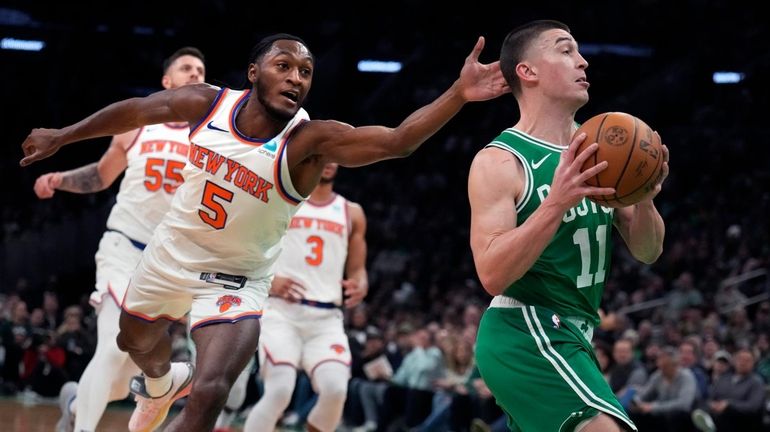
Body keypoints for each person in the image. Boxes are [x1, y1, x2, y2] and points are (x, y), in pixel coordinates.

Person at [20, 33, 508, 432]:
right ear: (254, 73)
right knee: (133, 341)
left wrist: (458, 93)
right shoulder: (209, 104)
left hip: (236, 280)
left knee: (212, 390)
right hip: (169, 255)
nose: (295, 77)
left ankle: (171, 392)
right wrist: (62, 136)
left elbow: (397, 142)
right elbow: (137, 110)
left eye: (305, 72)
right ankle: (161, 383)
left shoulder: (309, 141)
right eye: (284, 66)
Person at [469, 20, 668, 432]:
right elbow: (491, 274)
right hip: (526, 331)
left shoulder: (601, 149)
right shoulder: (502, 161)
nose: (582, 60)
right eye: (565, 50)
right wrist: (556, 202)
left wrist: (644, 198)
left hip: (577, 335)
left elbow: (648, 251)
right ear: (528, 72)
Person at [32, 46, 207, 432]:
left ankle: (77, 402)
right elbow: (102, 176)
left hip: (170, 264)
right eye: (186, 68)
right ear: (167, 81)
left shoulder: (212, 139)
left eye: (200, 69)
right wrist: (61, 179)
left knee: (122, 373)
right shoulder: (138, 126)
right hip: (124, 247)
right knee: (111, 346)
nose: (195, 74)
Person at [240, 162, 368, 432]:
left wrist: (360, 285)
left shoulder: (351, 212)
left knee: (335, 390)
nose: (329, 162)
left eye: (334, 156)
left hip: (326, 319)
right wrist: (270, 280)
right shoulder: (283, 201)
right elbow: (249, 246)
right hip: (282, 312)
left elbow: (358, 270)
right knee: (279, 390)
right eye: (323, 155)